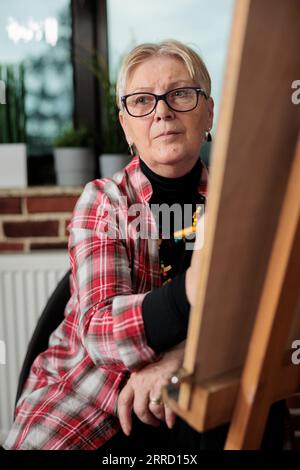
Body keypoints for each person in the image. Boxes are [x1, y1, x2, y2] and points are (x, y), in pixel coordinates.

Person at [3, 39, 286, 451]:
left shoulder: (239, 204)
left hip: (189, 391)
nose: (162, 111)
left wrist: (181, 358)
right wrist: (194, 290)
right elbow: (100, 333)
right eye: (141, 101)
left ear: (209, 110)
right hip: (89, 396)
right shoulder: (104, 201)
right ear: (125, 125)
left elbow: (266, 321)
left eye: (181, 94)